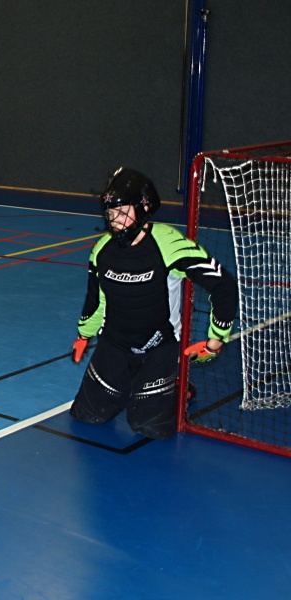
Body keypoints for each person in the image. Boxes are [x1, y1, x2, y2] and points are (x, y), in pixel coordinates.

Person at [69, 167, 238, 440]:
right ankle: (128, 384)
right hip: (114, 344)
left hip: (159, 347)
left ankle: (181, 388)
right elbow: (96, 298)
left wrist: (215, 341)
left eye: (122, 212)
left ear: (144, 206)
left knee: (149, 427)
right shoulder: (102, 249)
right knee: (88, 415)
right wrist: (84, 334)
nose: (115, 221)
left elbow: (223, 285)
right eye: (110, 213)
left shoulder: (169, 243)